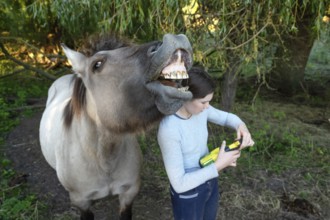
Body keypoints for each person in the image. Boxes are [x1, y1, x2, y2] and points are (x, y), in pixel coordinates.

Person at [157, 66, 255, 220]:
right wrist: (218, 165)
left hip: (210, 181)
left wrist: (242, 127)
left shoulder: (201, 110)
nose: (207, 106)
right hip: (188, 195)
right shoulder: (169, 129)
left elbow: (228, 118)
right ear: (185, 97)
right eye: (203, 102)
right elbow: (179, 184)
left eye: (209, 101)